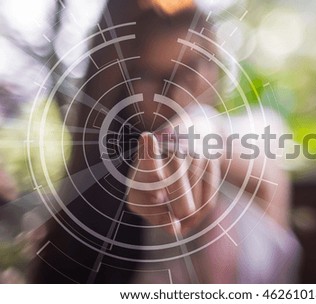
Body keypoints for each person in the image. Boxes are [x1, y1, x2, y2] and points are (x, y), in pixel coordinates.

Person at [30, 0, 300, 283]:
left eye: (191, 66)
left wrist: (187, 138)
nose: (174, 91)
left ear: (216, 67)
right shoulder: (112, 188)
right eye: (151, 76)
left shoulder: (257, 130)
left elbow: (211, 133)